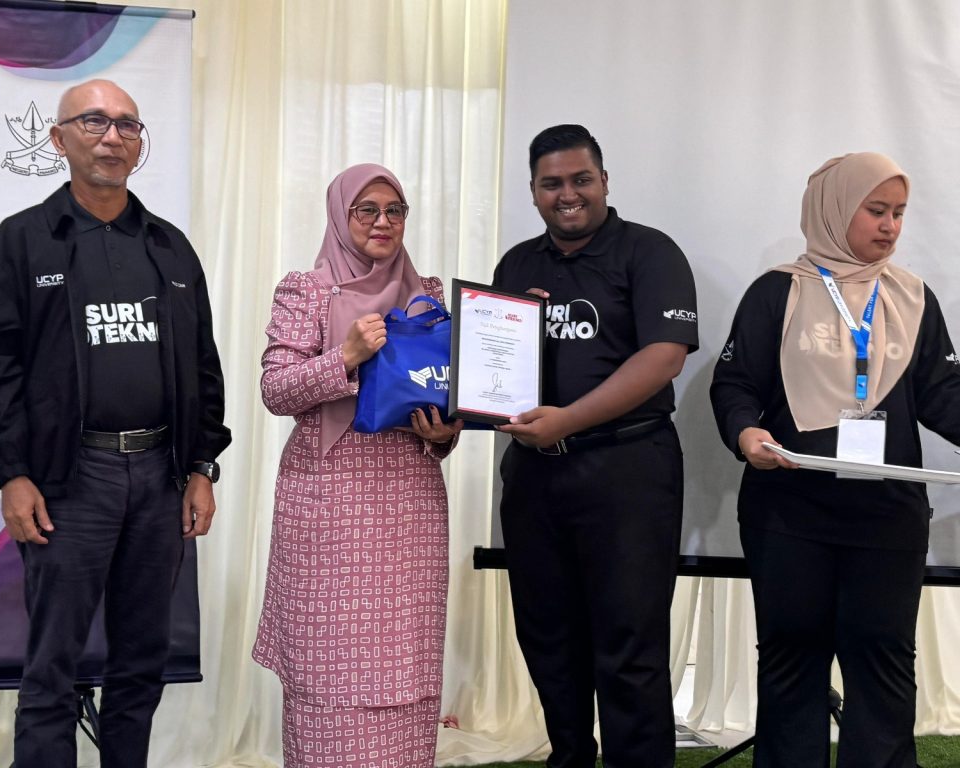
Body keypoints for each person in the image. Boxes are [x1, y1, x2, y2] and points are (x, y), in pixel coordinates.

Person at [0, 79, 231, 768]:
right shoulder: (22, 242)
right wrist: (11, 474)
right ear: (59, 139)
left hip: (160, 480)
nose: (113, 137)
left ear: (140, 143)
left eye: (128, 125)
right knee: (52, 666)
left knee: (142, 662)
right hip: (69, 483)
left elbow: (203, 368)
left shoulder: (170, 248)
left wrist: (201, 468)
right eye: (94, 122)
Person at [710, 152, 960, 767]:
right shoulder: (777, 291)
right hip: (789, 513)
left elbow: (943, 395)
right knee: (791, 659)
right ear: (834, 208)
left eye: (899, 213)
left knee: (883, 661)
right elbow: (735, 383)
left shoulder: (913, 297)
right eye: (876, 210)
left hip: (888, 514)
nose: (890, 226)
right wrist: (745, 434)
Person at [492, 124, 699, 768]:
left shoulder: (650, 252)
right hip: (534, 477)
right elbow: (492, 366)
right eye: (551, 183)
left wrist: (569, 421)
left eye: (581, 179)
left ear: (604, 181)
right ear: (533, 191)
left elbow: (664, 358)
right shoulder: (516, 265)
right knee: (548, 640)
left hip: (628, 469)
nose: (568, 194)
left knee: (629, 645)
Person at [252, 163, 461, 767]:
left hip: (411, 505)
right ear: (340, 216)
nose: (382, 222)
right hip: (327, 506)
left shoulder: (428, 295)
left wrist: (445, 435)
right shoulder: (306, 290)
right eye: (365, 210)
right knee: (327, 669)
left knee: (406, 664)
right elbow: (276, 390)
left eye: (394, 210)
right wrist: (344, 356)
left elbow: (439, 395)